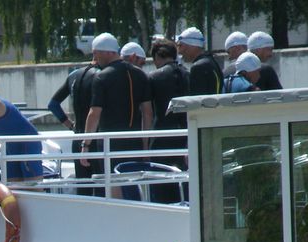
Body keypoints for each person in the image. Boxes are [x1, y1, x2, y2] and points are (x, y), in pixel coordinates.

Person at [81, 33, 153, 188]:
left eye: (95, 52)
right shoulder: (140, 74)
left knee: (113, 186)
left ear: (107, 52)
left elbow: (94, 114)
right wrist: (145, 144)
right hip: (135, 143)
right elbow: (147, 112)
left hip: (110, 143)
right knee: (135, 185)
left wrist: (86, 145)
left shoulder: (102, 77)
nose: (94, 57)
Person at [47, 51, 100, 193]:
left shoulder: (74, 75)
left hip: (77, 138)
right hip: (97, 138)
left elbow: (52, 104)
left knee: (83, 190)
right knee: (102, 187)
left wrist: (70, 125)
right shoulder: (102, 75)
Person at [147, 39, 188, 176]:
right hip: (186, 135)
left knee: (160, 180)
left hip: (161, 136)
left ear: (157, 57)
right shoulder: (188, 74)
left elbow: (148, 111)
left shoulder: (154, 77)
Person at [177, 27, 222, 95]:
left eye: (180, 46)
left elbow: (197, 101)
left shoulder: (198, 67)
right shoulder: (212, 62)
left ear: (192, 46)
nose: (179, 51)